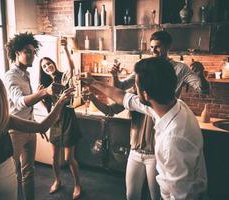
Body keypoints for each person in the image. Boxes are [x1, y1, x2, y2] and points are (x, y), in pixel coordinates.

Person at [81, 57, 208, 199]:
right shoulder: (173, 105)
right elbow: (123, 97)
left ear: (146, 94)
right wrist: (93, 82)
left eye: (136, 85)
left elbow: (181, 196)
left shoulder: (173, 140)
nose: (133, 90)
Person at [107, 30, 210, 200]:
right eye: (151, 47)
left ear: (168, 47)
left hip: (165, 126)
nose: (153, 51)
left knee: (164, 187)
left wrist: (201, 76)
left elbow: (202, 89)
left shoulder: (180, 69)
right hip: (142, 124)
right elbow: (122, 88)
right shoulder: (145, 67)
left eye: (158, 47)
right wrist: (113, 75)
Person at [0, 75, 73, 200]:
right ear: (2, 97)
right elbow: (43, 126)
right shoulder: (5, 120)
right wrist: (60, 102)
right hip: (3, 176)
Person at [5, 32, 60, 200]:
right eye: (27, 52)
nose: (31, 55)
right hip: (15, 131)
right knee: (12, 174)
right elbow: (20, 102)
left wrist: (36, 124)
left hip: (29, 127)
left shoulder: (26, 74)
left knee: (29, 171)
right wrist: (45, 92)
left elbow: (27, 107)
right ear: (17, 53)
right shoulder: (11, 76)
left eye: (33, 52)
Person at [39, 38, 82, 200]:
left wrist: (65, 49)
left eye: (49, 64)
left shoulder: (63, 77)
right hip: (55, 121)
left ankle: (77, 184)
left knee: (69, 158)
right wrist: (42, 97)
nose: (47, 67)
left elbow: (72, 68)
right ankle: (57, 181)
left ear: (53, 64)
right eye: (44, 66)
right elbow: (49, 109)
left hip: (68, 119)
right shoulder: (45, 85)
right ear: (42, 70)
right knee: (53, 157)